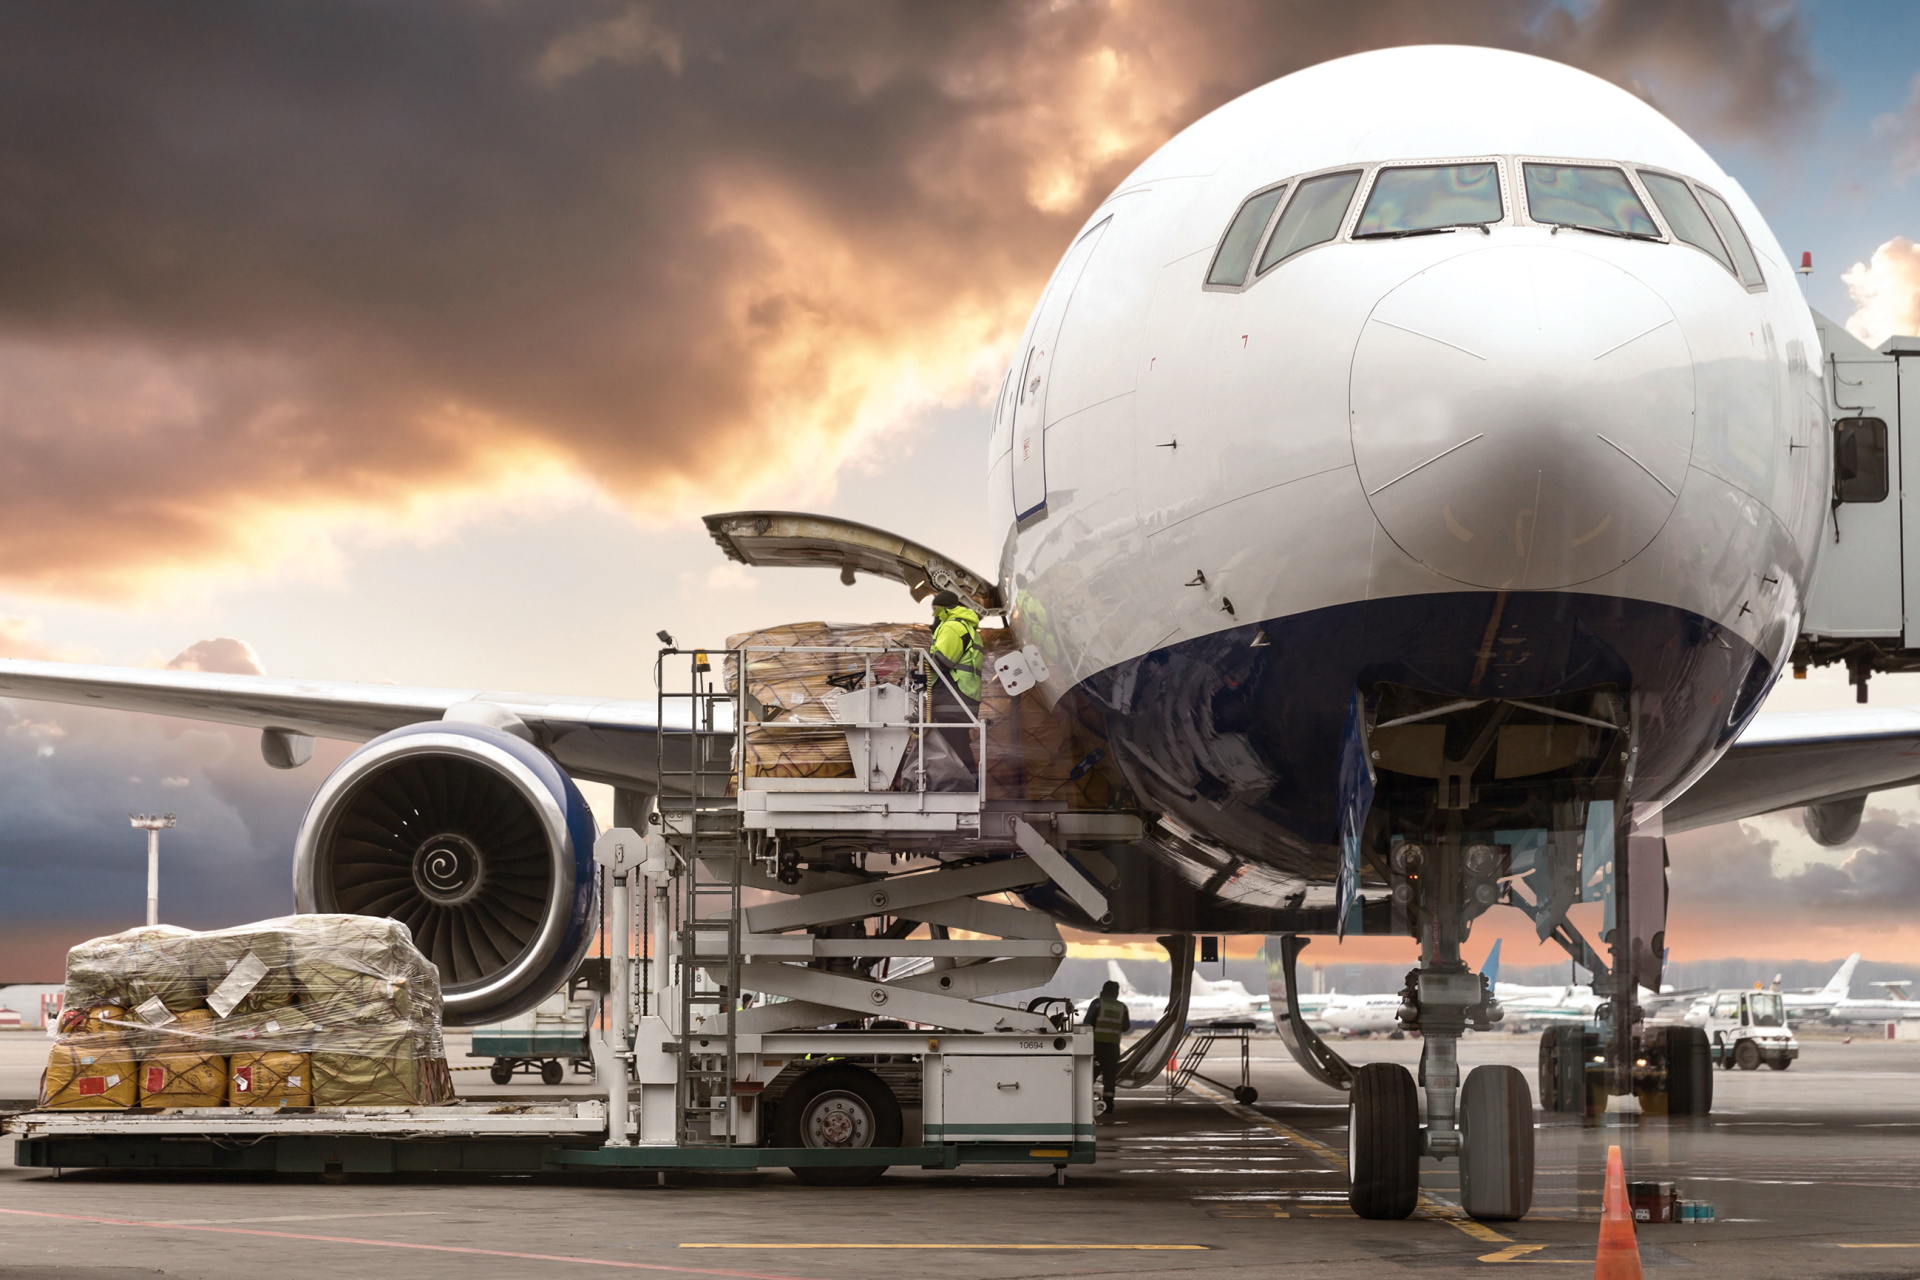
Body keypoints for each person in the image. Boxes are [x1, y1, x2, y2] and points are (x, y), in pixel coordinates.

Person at [926, 589, 983, 785]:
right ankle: (971, 781)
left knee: (951, 744)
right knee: (957, 742)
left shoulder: (951, 627)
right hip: (964, 695)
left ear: (943, 608)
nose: (933, 615)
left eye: (935, 610)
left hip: (954, 696)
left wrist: (920, 660)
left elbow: (942, 662)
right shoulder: (965, 626)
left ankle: (964, 784)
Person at [1083, 979, 1131, 1115]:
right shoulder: (1122, 1007)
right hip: (1113, 1047)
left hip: (1095, 1046)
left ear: (1103, 991)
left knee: (1089, 1075)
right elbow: (1126, 1027)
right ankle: (1108, 1105)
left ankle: (1085, 1102)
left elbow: (1087, 1022)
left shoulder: (1097, 1003)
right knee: (1110, 1078)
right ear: (1116, 993)